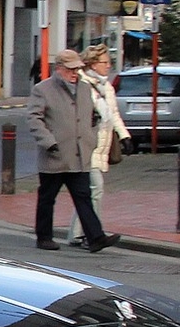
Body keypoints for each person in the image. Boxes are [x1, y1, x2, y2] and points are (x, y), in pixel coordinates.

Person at [28, 49, 118, 254]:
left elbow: (93, 116)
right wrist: (48, 141)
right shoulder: (43, 89)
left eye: (77, 68)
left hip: (80, 155)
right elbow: (34, 119)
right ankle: (44, 236)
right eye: (70, 69)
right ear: (59, 69)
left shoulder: (85, 88)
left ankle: (96, 237)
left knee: (83, 196)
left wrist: (91, 136)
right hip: (55, 154)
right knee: (47, 197)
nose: (75, 72)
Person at [80, 45, 129, 206]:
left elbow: (113, 113)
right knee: (96, 189)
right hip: (88, 146)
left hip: (103, 145)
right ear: (93, 64)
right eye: (105, 62)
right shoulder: (82, 85)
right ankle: (90, 231)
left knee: (93, 192)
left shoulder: (106, 86)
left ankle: (86, 230)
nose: (109, 66)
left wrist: (124, 136)